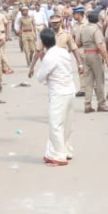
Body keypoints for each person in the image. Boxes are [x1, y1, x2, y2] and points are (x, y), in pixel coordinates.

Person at [34, 28, 76, 166]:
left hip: (58, 93)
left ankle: (58, 155)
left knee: (56, 124)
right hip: (70, 90)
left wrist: (42, 61)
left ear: (43, 43)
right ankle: (66, 150)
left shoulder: (50, 56)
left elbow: (40, 77)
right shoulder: (63, 51)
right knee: (67, 124)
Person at [77, 10, 108, 113]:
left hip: (86, 54)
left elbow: (78, 43)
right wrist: (107, 59)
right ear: (97, 20)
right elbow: (99, 45)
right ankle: (101, 104)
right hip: (95, 55)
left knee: (88, 81)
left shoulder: (83, 29)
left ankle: (87, 105)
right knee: (99, 81)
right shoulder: (96, 30)